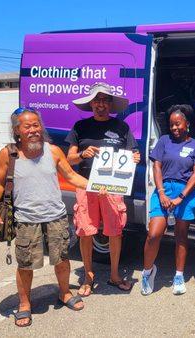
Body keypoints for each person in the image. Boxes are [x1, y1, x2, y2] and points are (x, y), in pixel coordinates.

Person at [0, 108, 90, 327]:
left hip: (56, 216)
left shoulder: (52, 151)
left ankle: (64, 293)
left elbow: (71, 176)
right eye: (27, 126)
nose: (33, 130)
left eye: (36, 125)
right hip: (25, 218)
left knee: (61, 258)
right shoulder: (8, 154)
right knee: (26, 264)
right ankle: (24, 304)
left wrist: (97, 186)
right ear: (17, 131)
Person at [65, 82, 141, 296]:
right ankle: (88, 276)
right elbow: (69, 159)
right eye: (97, 100)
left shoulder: (122, 128)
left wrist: (135, 157)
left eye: (105, 100)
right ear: (91, 104)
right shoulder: (80, 127)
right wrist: (82, 154)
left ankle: (115, 275)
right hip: (85, 184)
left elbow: (133, 154)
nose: (101, 104)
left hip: (113, 187)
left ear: (111, 104)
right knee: (86, 232)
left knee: (115, 231)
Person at [141, 105, 195, 296]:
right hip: (163, 189)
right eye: (171, 125)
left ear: (187, 124)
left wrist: (180, 197)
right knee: (154, 234)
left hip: (186, 192)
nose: (174, 128)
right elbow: (157, 167)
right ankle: (147, 271)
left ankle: (179, 276)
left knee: (181, 235)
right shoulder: (164, 141)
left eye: (178, 124)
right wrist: (162, 193)